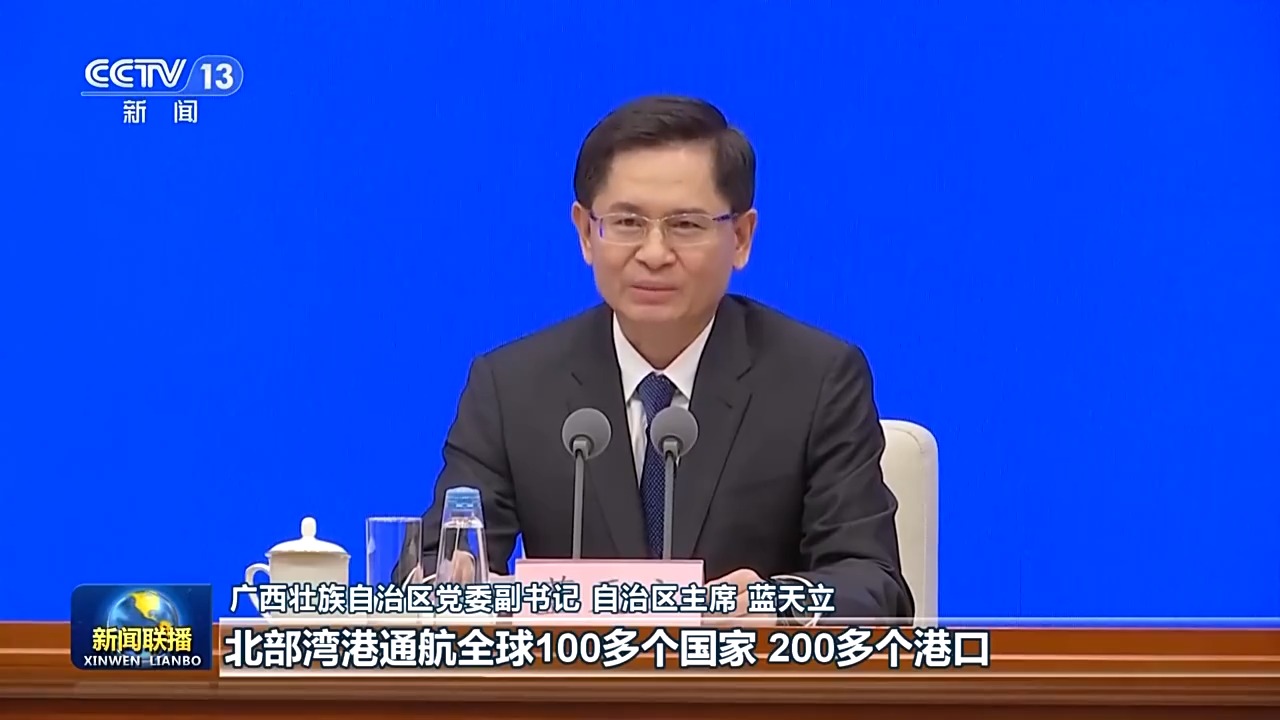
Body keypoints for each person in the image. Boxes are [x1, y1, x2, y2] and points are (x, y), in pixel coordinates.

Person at [407, 95, 913, 623]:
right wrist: (457, 587)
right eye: (627, 222)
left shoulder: (817, 380)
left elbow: (874, 584)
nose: (653, 253)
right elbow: (433, 566)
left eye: (686, 225)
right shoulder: (512, 387)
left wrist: (773, 603)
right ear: (586, 233)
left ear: (741, 238)